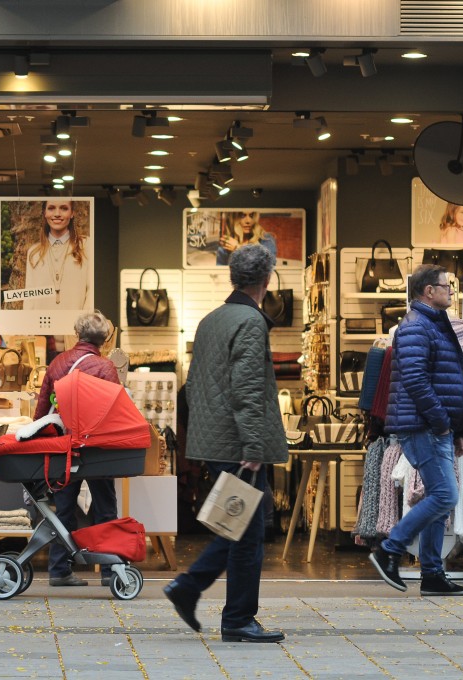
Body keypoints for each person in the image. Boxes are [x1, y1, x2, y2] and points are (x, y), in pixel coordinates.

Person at [163, 243, 287, 643]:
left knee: (238, 527)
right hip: (238, 445)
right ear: (266, 280)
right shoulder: (249, 322)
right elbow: (247, 389)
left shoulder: (212, 320)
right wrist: (253, 447)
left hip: (216, 441)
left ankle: (196, 593)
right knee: (246, 533)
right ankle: (230, 615)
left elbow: (194, 385)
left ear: (234, 277)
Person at [369, 264, 463, 597]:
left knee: (437, 497)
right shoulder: (416, 326)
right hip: (424, 427)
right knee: (446, 495)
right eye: (447, 286)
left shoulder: (433, 324)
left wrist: (458, 427)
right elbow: (415, 380)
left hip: (434, 426)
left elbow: (449, 380)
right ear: (429, 291)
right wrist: (442, 421)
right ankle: (390, 549)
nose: (451, 291)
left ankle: (431, 574)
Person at [33, 311, 120, 586]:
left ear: (76, 334)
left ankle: (59, 569)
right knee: (105, 510)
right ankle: (109, 572)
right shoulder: (106, 368)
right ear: (104, 340)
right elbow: (115, 412)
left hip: (63, 448)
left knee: (64, 509)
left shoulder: (58, 363)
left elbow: (42, 412)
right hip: (95, 449)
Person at [23, 200, 92, 310]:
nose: (57, 214)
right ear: (44, 213)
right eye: (51, 208)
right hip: (40, 324)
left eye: (64, 208)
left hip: (75, 324)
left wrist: (83, 323)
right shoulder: (34, 252)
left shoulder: (86, 245)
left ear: (72, 213)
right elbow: (30, 296)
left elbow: (91, 290)